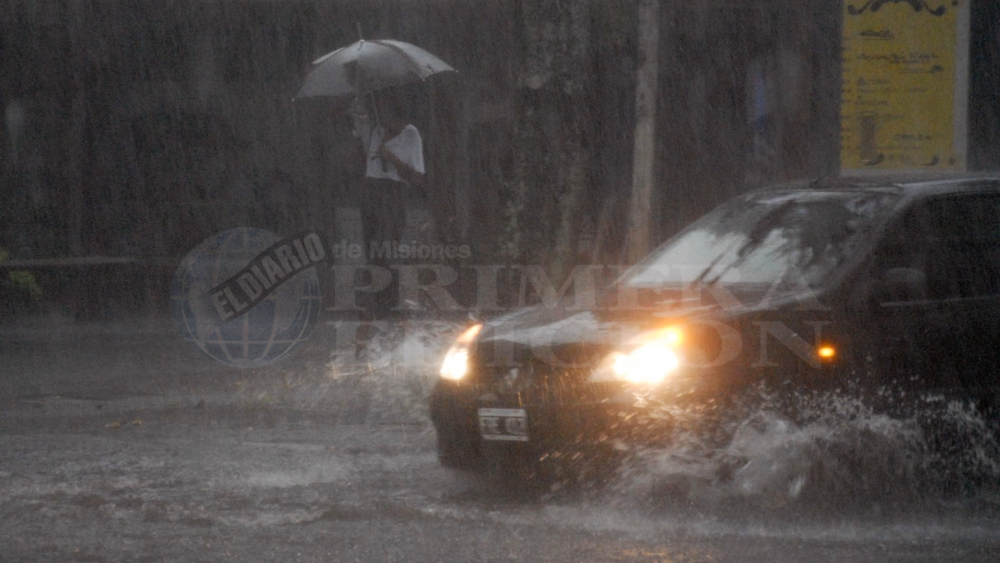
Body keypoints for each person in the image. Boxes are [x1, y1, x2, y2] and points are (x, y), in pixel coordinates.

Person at [349, 92, 425, 319]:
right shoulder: (375, 130)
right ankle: (373, 303)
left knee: (389, 247)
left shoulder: (410, 134)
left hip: (393, 193)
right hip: (371, 191)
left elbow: (417, 176)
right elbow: (353, 118)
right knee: (372, 248)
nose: (385, 121)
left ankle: (390, 302)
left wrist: (391, 158)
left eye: (390, 117)